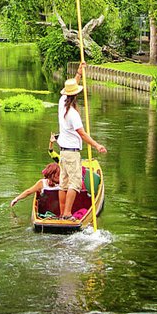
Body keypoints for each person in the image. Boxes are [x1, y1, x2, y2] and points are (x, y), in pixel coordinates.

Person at [57, 63, 107, 220]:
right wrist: (97, 145)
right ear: (76, 95)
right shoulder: (73, 114)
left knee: (63, 184)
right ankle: (66, 213)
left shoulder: (61, 103)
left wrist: (79, 73)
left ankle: (61, 213)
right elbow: (83, 135)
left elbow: (73, 86)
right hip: (72, 153)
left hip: (63, 153)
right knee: (75, 184)